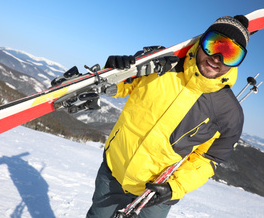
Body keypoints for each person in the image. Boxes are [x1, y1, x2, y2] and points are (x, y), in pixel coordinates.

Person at [87, 14, 250, 218]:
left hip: (156, 193)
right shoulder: (161, 64)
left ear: (238, 62)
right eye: (213, 45)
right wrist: (115, 72)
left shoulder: (230, 114)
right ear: (201, 43)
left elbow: (207, 160)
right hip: (114, 170)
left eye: (230, 54)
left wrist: (174, 188)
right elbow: (121, 86)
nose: (217, 58)